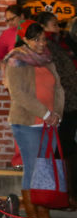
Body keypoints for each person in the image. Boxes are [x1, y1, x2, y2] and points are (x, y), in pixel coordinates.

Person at [4, 20, 65, 218]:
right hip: (27, 123)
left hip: (49, 122)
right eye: (35, 39)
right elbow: (18, 93)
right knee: (33, 167)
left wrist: (57, 113)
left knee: (45, 167)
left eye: (42, 38)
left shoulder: (47, 59)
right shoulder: (16, 59)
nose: (40, 43)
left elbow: (58, 88)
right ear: (25, 39)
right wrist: (45, 113)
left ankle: (44, 216)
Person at [38, 11, 77, 206]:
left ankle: (68, 193)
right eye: (53, 24)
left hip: (70, 102)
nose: (57, 27)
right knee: (62, 149)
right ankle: (63, 194)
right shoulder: (47, 47)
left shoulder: (63, 43)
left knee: (67, 148)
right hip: (60, 104)